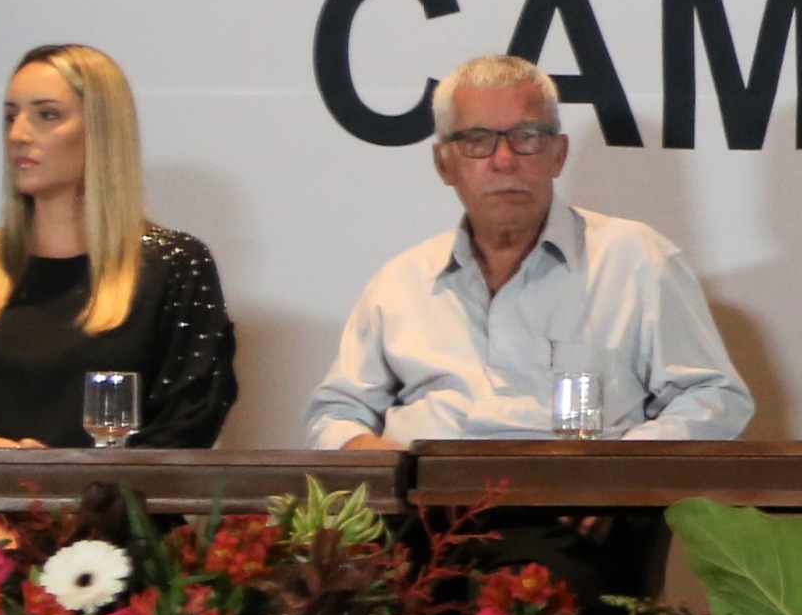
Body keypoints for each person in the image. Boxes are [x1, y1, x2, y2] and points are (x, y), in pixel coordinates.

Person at [307, 55, 751, 449]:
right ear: (444, 163)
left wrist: (616, 471)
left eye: (526, 136)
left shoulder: (635, 260)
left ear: (558, 155)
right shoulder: (402, 282)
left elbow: (713, 398)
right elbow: (335, 414)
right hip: (421, 522)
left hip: (574, 519)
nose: (503, 159)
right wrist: (383, 466)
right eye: (477, 140)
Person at [0, 43, 238, 448]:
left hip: (118, 507)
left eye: (47, 115)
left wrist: (78, 495)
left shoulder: (176, 266)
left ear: (101, 130)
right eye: (10, 116)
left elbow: (188, 420)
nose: (18, 134)